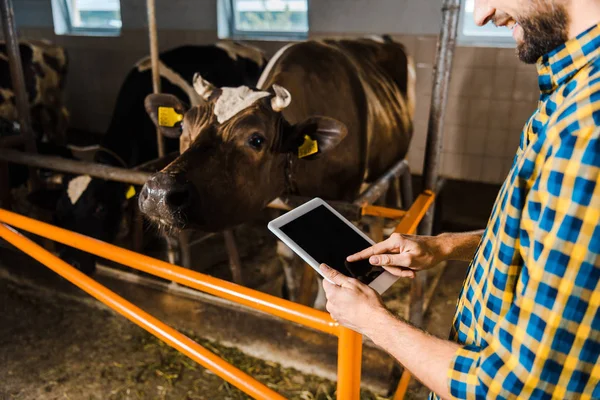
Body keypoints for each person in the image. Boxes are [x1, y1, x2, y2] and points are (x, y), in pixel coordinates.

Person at [320, 0, 600, 398]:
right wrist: (444, 245)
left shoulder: (586, 129)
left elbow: (510, 391)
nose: (481, 15)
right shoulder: (570, 90)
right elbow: (549, 242)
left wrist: (372, 321)